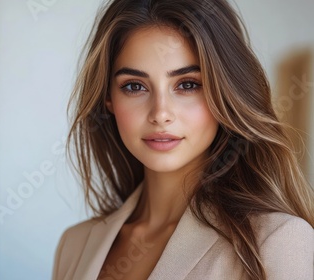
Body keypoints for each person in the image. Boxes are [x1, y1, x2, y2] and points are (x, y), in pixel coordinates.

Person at [52, 0, 314, 279]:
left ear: (225, 91)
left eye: (188, 84)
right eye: (134, 86)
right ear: (109, 99)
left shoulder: (277, 242)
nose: (161, 114)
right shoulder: (74, 245)